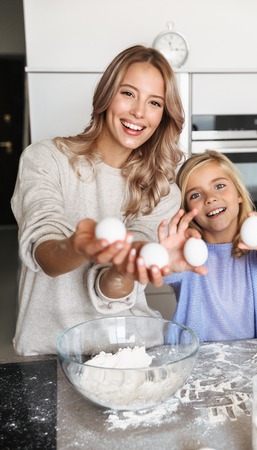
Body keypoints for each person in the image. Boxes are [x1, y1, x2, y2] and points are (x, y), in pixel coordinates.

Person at [11, 45, 186, 355]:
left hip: (129, 350)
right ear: (107, 94)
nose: (139, 112)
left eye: (154, 102)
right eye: (128, 93)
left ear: (163, 115)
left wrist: (129, 265)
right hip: (50, 351)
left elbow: (112, 289)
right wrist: (76, 246)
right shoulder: (46, 159)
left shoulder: (162, 190)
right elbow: (45, 255)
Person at [106, 150, 257, 342]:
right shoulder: (187, 254)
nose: (210, 198)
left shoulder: (252, 251)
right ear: (188, 210)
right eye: (196, 195)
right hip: (192, 357)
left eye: (220, 186)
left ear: (239, 194)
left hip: (245, 357)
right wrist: (164, 262)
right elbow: (168, 272)